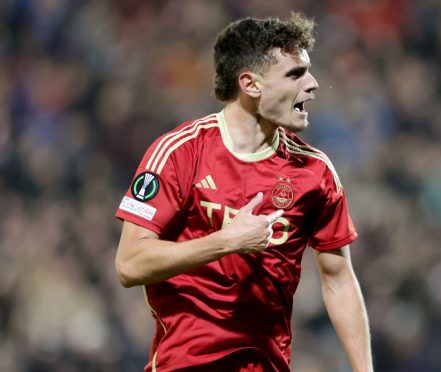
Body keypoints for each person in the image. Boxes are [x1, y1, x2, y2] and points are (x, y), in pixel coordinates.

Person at [114, 12, 373, 372]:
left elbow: (338, 277)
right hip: (185, 365)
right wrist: (225, 241)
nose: (313, 84)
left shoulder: (315, 173)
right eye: (295, 74)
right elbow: (129, 264)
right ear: (250, 85)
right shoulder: (179, 153)